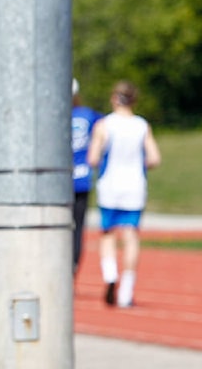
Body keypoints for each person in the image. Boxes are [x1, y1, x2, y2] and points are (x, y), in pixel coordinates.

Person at [87, 80, 161, 308]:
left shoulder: (104, 125)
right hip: (134, 186)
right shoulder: (141, 125)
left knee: (108, 235)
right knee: (131, 237)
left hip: (110, 185)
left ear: (113, 98)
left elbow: (93, 158)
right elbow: (154, 158)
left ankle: (110, 275)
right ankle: (126, 292)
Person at [71, 78, 101, 278]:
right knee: (77, 229)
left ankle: (62, 269)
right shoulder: (89, 115)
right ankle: (72, 268)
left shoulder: (51, 115)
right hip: (82, 178)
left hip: (58, 181)